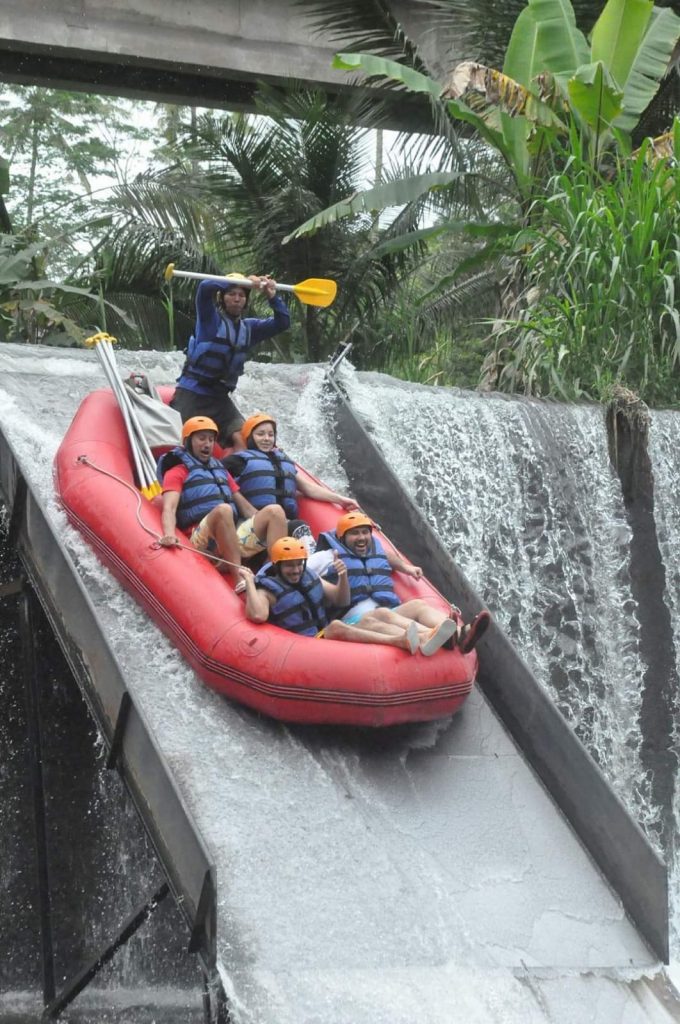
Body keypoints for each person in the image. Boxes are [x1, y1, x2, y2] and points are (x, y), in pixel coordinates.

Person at [316, 511, 491, 655]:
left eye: (365, 532)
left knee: (417, 605)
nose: (361, 537)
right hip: (353, 621)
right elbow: (298, 568)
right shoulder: (328, 556)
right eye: (354, 533)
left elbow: (388, 558)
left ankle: (460, 633)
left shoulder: (373, 551)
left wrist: (406, 568)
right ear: (342, 539)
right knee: (383, 615)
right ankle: (433, 636)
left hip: (385, 611)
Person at [157, 416, 287, 583]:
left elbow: (246, 508)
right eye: (202, 438)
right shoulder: (177, 472)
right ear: (188, 441)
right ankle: (238, 577)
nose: (207, 444)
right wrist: (168, 534)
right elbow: (169, 508)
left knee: (275, 511)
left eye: (211, 439)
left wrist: (276, 523)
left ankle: (272, 575)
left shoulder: (220, 471)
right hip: (201, 540)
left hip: (230, 537)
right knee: (224, 509)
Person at [238, 538, 422, 652]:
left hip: (325, 639)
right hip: (305, 646)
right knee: (335, 627)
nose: (295, 570)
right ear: (278, 567)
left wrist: (342, 578)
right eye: (289, 566)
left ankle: (425, 636)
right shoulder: (267, 591)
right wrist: (249, 582)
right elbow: (257, 615)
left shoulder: (309, 576)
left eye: (298, 564)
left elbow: (341, 600)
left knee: (378, 615)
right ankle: (397, 641)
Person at [170, 274, 290, 449]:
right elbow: (204, 287)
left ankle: (237, 471)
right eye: (231, 294)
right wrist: (242, 280)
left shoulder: (250, 328)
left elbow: (283, 323)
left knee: (242, 437)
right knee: (181, 440)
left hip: (219, 398)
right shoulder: (209, 319)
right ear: (222, 298)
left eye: (241, 295)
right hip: (192, 392)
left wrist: (271, 295)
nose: (236, 299)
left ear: (245, 301)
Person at [222, 412, 357, 538]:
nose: (266, 439)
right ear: (250, 437)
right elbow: (214, 474)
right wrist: (244, 506)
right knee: (299, 527)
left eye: (270, 434)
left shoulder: (283, 461)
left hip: (284, 524)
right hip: (252, 523)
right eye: (260, 434)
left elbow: (307, 488)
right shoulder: (238, 461)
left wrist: (340, 499)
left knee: (297, 529)